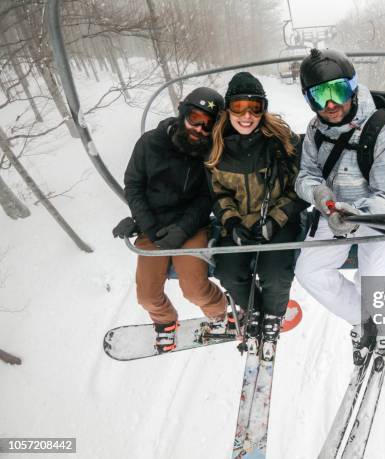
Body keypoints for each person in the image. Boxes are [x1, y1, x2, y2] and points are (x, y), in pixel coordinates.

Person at [294, 49, 385, 364]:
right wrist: (317, 193)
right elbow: (306, 174)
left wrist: (356, 215)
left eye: (339, 91)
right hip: (332, 214)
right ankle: (362, 318)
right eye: (320, 96)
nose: (331, 104)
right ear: (309, 99)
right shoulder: (316, 130)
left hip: (378, 219)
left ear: (354, 87)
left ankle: (382, 315)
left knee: (373, 281)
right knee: (309, 271)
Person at [112, 87, 228, 353]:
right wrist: (149, 226)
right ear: (181, 113)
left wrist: (183, 228)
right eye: (194, 118)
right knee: (147, 295)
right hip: (153, 225)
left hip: (190, 225)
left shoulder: (210, 153)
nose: (199, 129)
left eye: (208, 125)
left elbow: (206, 196)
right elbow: (133, 185)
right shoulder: (150, 143)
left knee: (194, 288)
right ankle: (165, 321)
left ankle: (219, 311)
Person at [206, 72, 307, 359]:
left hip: (278, 221)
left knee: (276, 272)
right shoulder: (218, 146)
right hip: (238, 223)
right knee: (228, 270)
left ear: (264, 108)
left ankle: (272, 318)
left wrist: (277, 218)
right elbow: (218, 193)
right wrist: (232, 222)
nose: (247, 115)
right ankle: (253, 311)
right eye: (239, 107)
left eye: (255, 107)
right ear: (228, 109)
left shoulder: (281, 141)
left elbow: (301, 188)